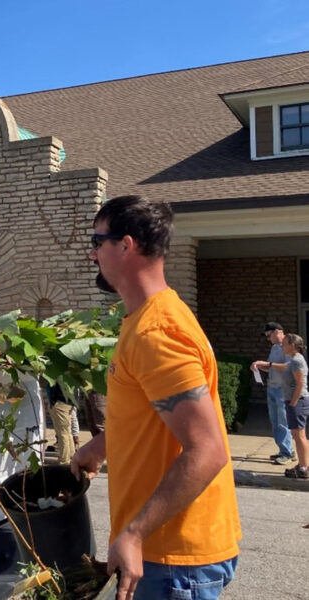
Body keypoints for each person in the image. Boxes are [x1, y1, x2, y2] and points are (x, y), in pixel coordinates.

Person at [71, 195, 241, 600]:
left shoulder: (157, 332)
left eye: (97, 242)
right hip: (168, 557)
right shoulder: (148, 319)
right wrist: (100, 446)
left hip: (171, 559)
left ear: (125, 245)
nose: (92, 254)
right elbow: (153, 417)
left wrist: (133, 534)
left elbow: (208, 450)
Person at [264, 333, 309, 479]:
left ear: (293, 345)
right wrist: (266, 365)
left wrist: (293, 402)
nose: (282, 346)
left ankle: (304, 467)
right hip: (294, 401)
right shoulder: (293, 360)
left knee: (300, 435)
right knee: (297, 435)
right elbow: (283, 368)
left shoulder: (296, 360)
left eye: (284, 343)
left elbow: (300, 383)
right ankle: (302, 464)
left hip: (298, 401)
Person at [250, 322, 295, 464]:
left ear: (277, 332)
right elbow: (271, 368)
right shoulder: (275, 348)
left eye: (269, 335)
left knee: (283, 421)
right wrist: (258, 367)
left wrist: (267, 364)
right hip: (272, 387)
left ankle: (286, 453)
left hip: (283, 389)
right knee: (275, 421)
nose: (268, 339)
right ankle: (285, 449)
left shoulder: (289, 345)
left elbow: (288, 367)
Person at [48, 383, 75, 464]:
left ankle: (64, 460)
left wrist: (53, 402)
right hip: (66, 403)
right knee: (67, 432)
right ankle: (71, 456)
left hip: (60, 403)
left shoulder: (60, 374)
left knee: (63, 434)